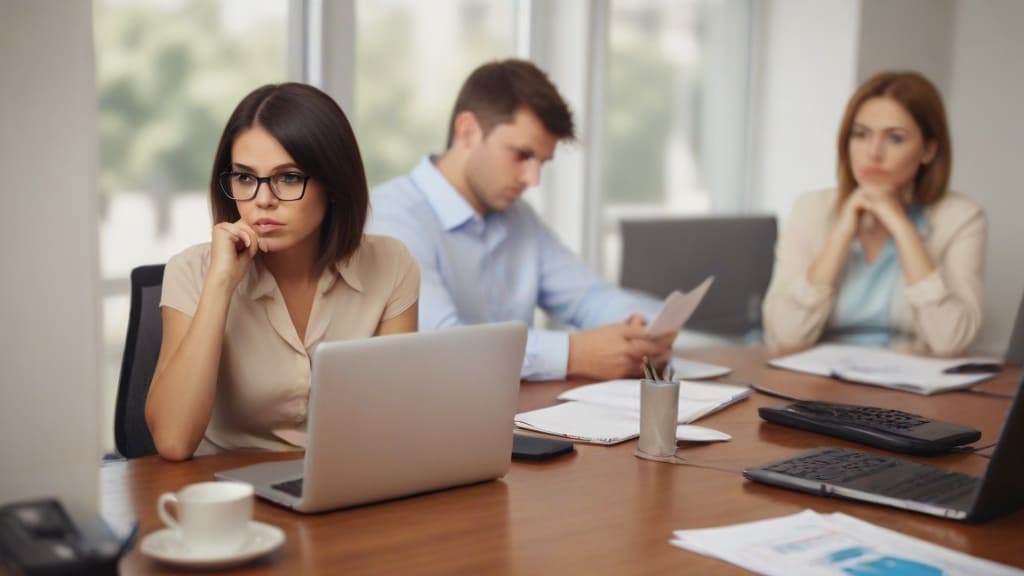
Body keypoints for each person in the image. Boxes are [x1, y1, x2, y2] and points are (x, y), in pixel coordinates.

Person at [146, 83, 420, 461]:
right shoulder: (192, 271)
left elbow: (399, 418)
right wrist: (220, 284)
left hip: (347, 483)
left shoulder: (391, 264)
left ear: (334, 184)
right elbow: (173, 442)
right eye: (244, 177)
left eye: (288, 177)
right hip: (229, 494)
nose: (262, 200)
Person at [366, 59, 674, 381]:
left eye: (542, 162)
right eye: (522, 155)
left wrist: (646, 326)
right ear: (467, 132)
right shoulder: (392, 219)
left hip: (517, 414)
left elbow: (587, 296)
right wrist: (573, 354)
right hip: (431, 422)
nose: (533, 179)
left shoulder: (519, 219)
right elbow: (443, 346)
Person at [762, 71, 985, 356]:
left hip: (907, 390)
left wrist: (901, 226)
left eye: (894, 138)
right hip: (819, 386)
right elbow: (786, 336)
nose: (873, 153)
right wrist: (842, 233)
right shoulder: (811, 209)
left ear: (928, 150)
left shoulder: (961, 218)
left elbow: (951, 341)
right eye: (861, 134)